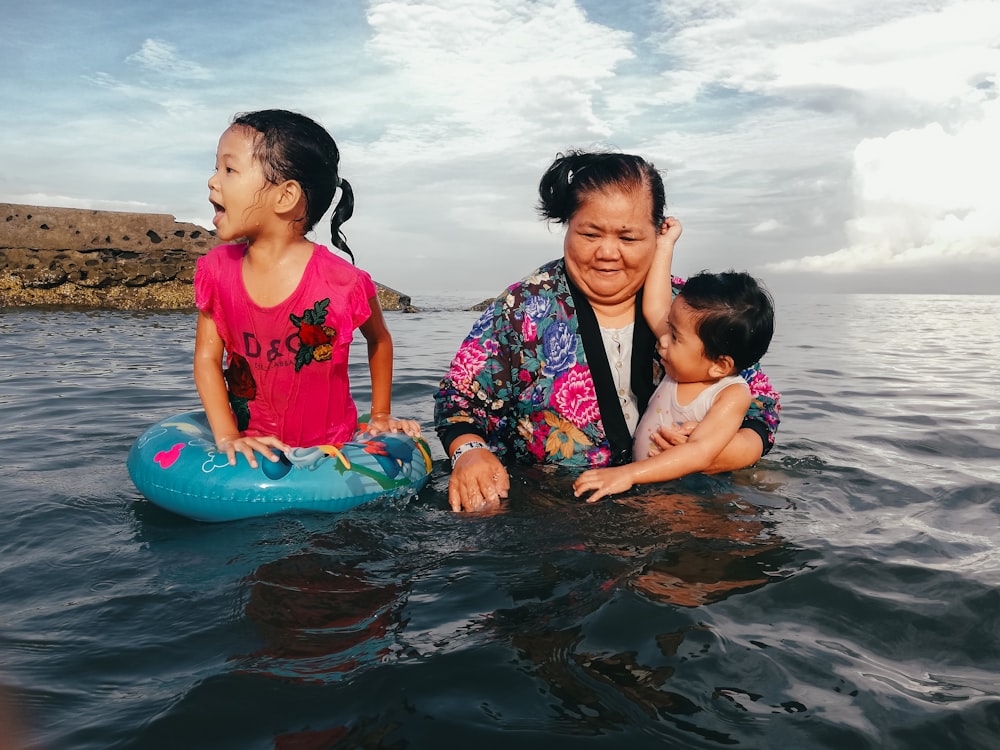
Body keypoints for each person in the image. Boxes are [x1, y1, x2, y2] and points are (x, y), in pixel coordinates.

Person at [433, 149, 780, 512]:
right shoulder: (522, 310)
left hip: (688, 504)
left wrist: (716, 454)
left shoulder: (692, 311)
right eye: (590, 233)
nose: (608, 253)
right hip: (555, 512)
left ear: (656, 233)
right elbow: (458, 404)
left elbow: (761, 409)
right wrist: (469, 453)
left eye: (628, 238)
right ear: (568, 226)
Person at [194, 109, 419, 468]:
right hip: (252, 445)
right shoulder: (216, 271)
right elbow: (207, 359)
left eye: (229, 169)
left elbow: (379, 339)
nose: (212, 180)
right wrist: (228, 437)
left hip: (331, 452)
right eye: (216, 167)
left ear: (285, 197)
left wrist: (380, 414)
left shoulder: (344, 283)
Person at [573, 258, 775, 502]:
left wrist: (627, 474)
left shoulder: (730, 394)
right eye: (669, 328)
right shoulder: (685, 365)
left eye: (675, 337)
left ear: (720, 365)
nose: (663, 340)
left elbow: (700, 452)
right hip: (649, 484)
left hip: (691, 494)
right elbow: (655, 307)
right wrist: (665, 246)